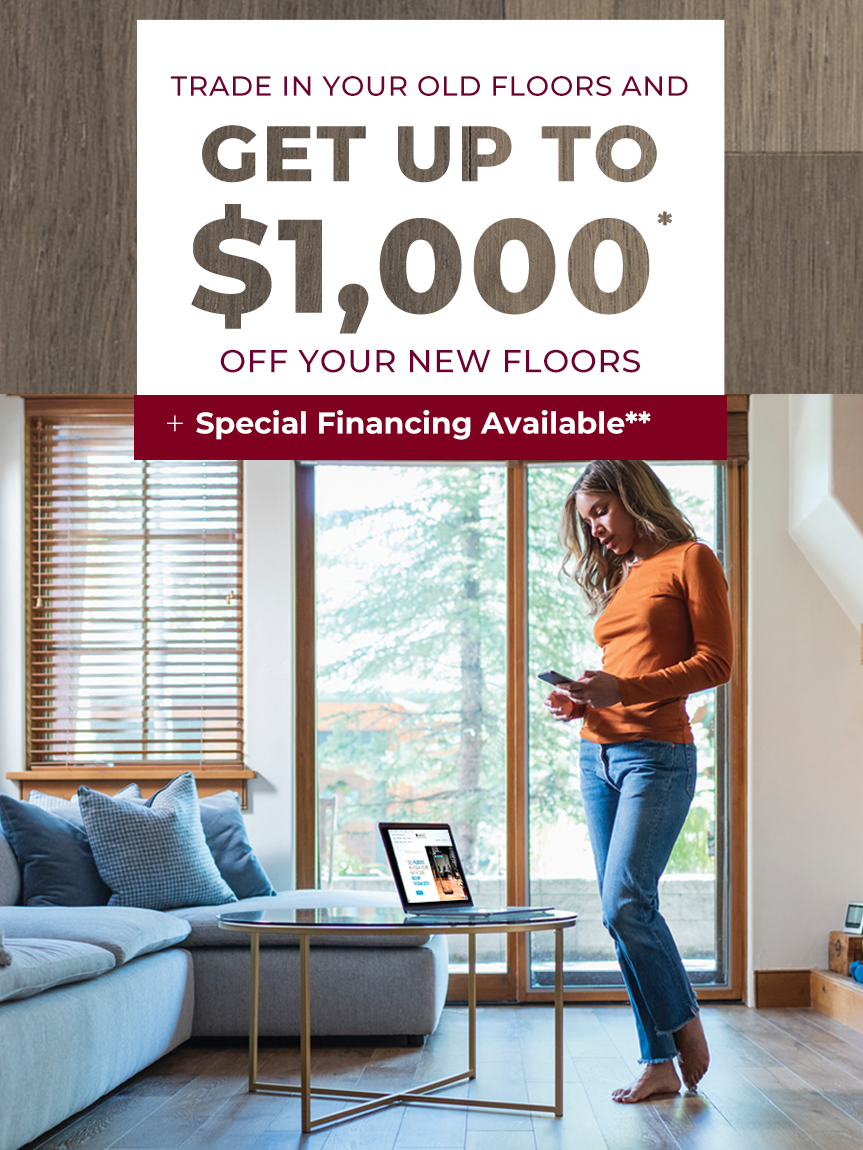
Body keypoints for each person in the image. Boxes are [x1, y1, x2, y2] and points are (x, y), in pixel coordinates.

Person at [545, 460, 732, 1104]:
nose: (595, 528)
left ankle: (684, 1024)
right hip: (596, 755)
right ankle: (657, 1062)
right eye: (587, 519)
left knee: (626, 901)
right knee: (620, 914)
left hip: (657, 756)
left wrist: (622, 689)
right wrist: (584, 699)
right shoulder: (624, 575)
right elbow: (623, 669)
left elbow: (717, 663)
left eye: (600, 511)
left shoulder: (692, 559)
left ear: (633, 496)